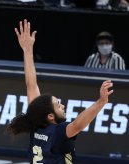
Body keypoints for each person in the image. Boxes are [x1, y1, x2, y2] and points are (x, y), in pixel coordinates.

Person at [7, 19, 113, 163]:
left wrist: (27, 49)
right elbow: (78, 125)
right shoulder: (58, 131)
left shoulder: (37, 123)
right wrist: (100, 102)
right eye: (58, 105)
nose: (63, 106)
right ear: (50, 116)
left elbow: (31, 83)